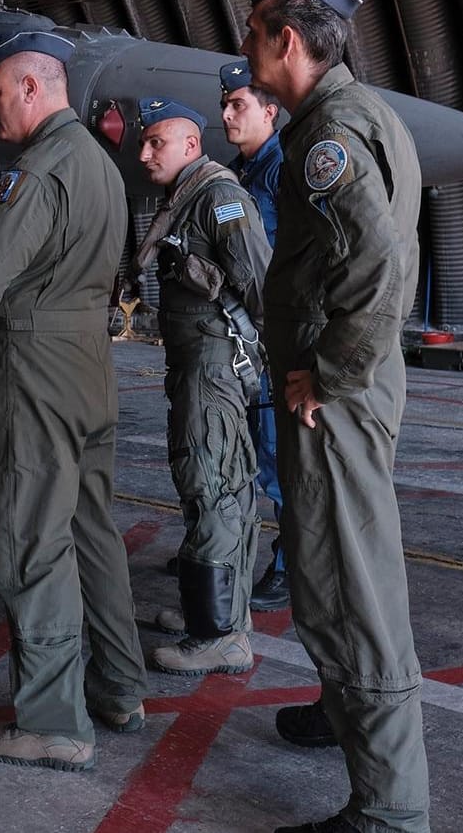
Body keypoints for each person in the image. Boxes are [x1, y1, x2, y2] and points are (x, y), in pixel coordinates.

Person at [240, 0, 430, 833]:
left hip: (334, 401)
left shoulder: (326, 139)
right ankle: (345, 712)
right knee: (337, 572)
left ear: (287, 39)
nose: (244, 49)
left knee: (349, 588)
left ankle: (390, 811)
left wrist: (333, 373)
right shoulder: (367, 114)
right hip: (350, 393)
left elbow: (378, 267)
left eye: (252, 33)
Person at [0, 29, 147, 772]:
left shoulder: (40, 167)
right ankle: (119, 687)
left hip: (37, 367)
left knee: (30, 537)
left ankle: (54, 721)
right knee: (92, 529)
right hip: (91, 362)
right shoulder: (101, 164)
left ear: (31, 86)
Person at [134, 96, 270, 676]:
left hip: (214, 370)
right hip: (199, 367)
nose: (143, 153)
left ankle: (218, 635)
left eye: (155, 142)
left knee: (210, 487)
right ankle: (219, 615)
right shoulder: (185, 198)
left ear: (190, 146)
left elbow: (261, 287)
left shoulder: (218, 199)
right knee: (225, 488)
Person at [219, 59, 291, 613]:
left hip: (270, 338)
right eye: (225, 104)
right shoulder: (236, 173)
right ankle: (233, 552)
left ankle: (291, 567)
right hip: (238, 337)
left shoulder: (281, 171)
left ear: (270, 111)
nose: (227, 114)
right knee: (239, 449)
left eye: (238, 104)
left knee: (273, 454)